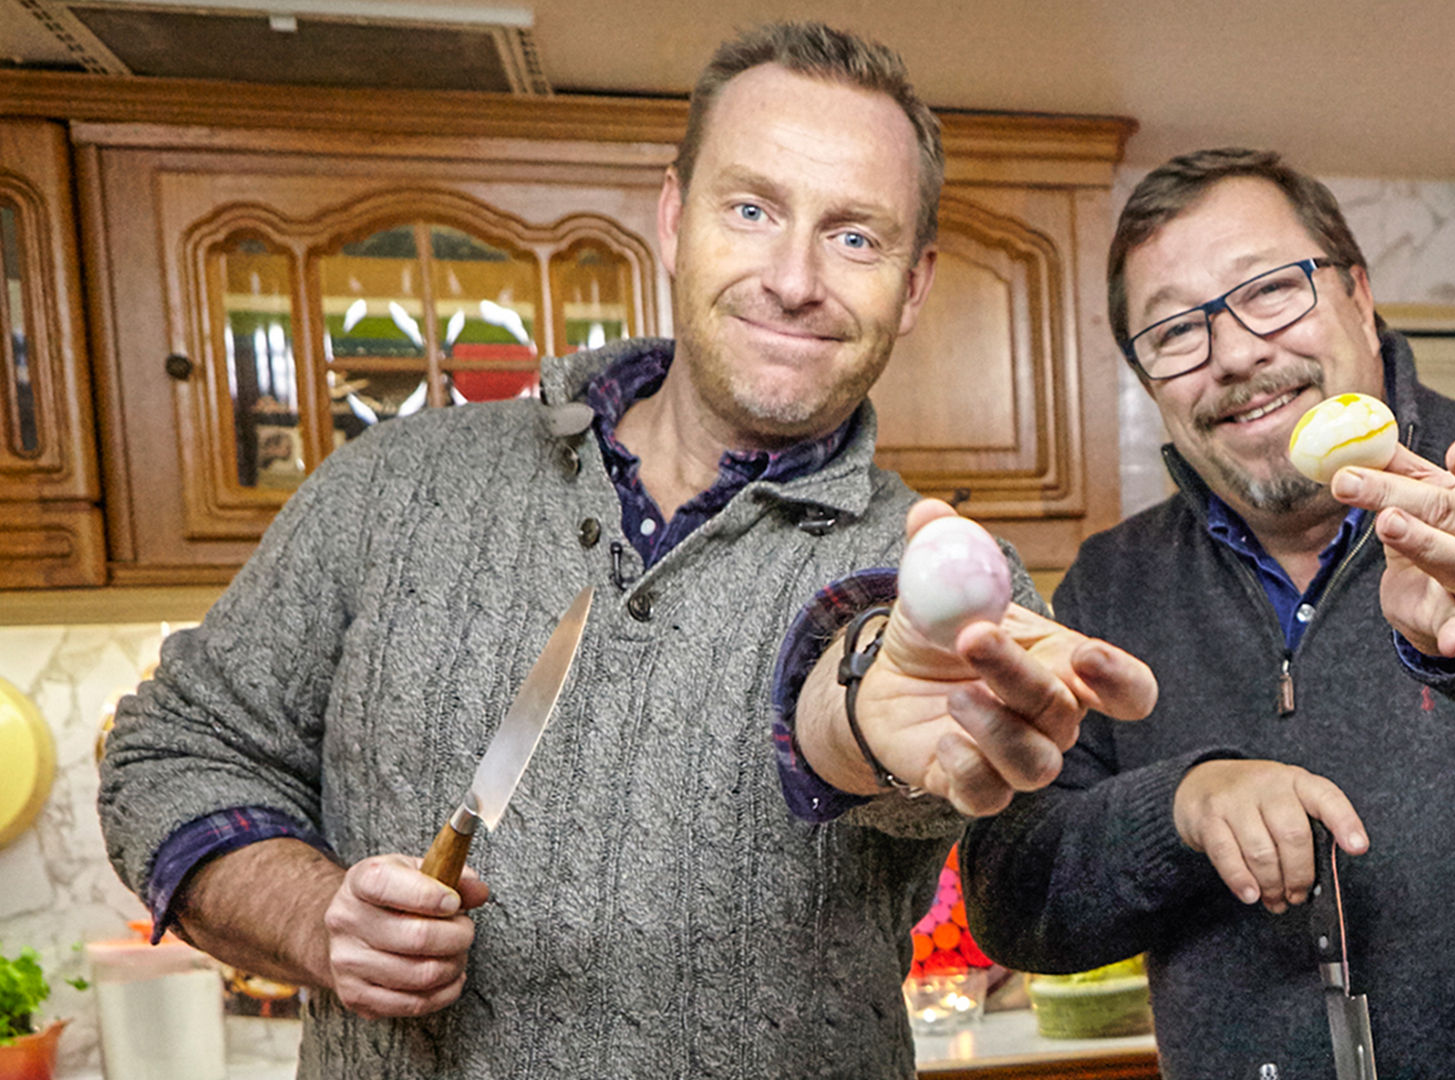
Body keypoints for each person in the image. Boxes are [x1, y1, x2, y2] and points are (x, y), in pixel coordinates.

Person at [96, 23, 1154, 1079]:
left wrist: (864, 718)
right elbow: (170, 757)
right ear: (675, 219)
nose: (794, 279)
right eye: (752, 210)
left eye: (854, 238)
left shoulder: (956, 587)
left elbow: (878, 683)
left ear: (914, 286)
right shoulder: (395, 482)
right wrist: (313, 919)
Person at [960, 148, 1455, 1079]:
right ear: (1147, 381)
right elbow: (1013, 896)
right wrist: (1180, 807)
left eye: (1271, 291)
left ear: (1359, 294)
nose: (1237, 354)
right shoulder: (1115, 584)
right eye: (1176, 330)